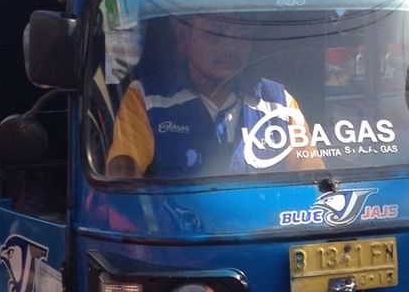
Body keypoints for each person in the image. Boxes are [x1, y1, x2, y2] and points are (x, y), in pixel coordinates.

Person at [106, 12, 305, 178]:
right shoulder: (146, 99)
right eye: (214, 35)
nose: (230, 47)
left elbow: (312, 179)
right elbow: (123, 178)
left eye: (241, 35)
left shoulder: (279, 102)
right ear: (184, 38)